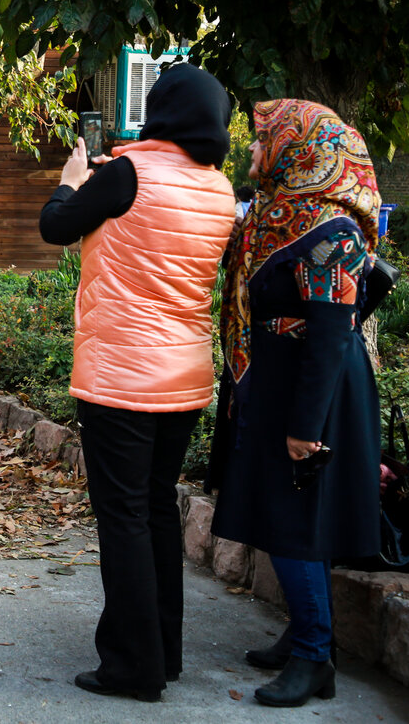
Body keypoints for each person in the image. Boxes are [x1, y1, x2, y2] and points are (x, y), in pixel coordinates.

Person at [39, 64, 236, 702]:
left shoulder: (128, 174)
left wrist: (69, 183)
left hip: (122, 376)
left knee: (122, 515)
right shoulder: (219, 187)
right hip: (185, 376)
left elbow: (56, 227)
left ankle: (131, 667)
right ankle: (163, 652)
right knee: (154, 510)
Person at [209, 99, 381, 708]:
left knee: (295, 522)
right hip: (278, 383)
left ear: (300, 148)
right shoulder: (276, 218)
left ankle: (316, 657)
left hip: (315, 393)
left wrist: (306, 426)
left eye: (262, 141)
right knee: (286, 516)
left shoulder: (330, 232)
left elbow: (333, 333)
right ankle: (306, 635)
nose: (253, 150)